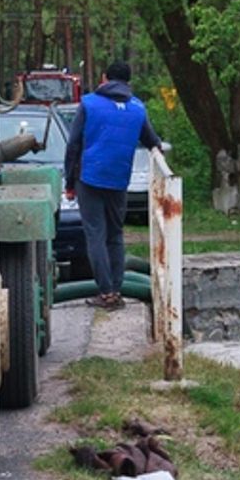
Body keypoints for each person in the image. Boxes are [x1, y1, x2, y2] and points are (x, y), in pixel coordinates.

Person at [64, 61, 163, 310]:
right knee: (115, 235)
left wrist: (69, 181)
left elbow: (73, 144)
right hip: (119, 179)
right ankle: (117, 290)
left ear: (104, 78)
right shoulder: (138, 108)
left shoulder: (88, 103)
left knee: (95, 234)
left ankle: (106, 292)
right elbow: (153, 141)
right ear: (128, 82)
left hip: (89, 177)